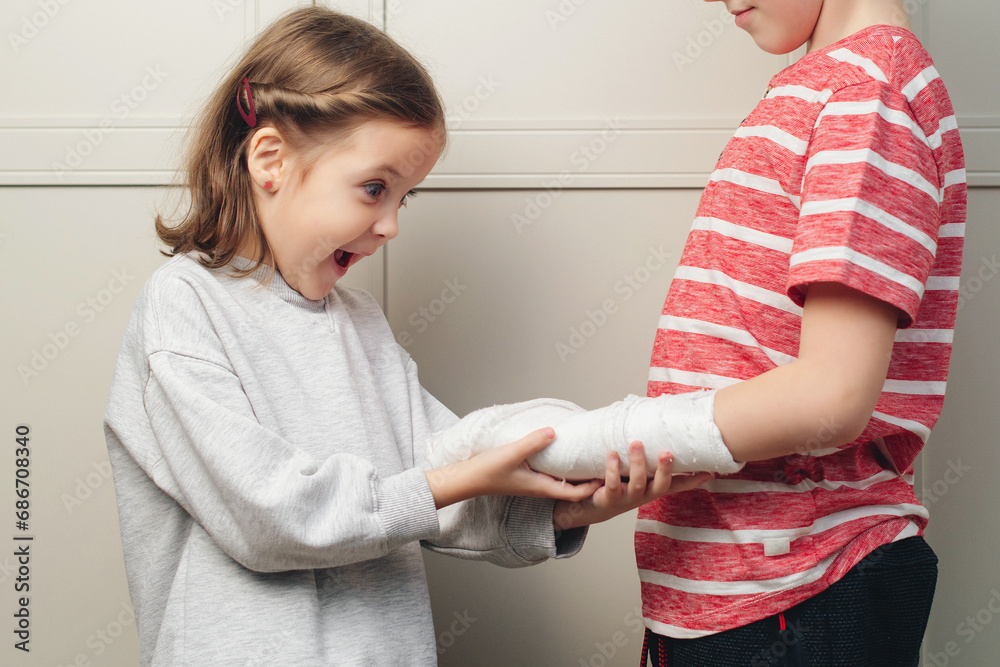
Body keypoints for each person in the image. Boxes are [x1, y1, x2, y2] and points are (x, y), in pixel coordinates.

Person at [101, 8, 710, 666]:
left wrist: (570, 503)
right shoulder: (185, 306)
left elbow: (446, 491)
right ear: (270, 159)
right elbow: (269, 515)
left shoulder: (361, 325)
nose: (390, 225)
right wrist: (459, 476)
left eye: (404, 198)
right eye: (373, 188)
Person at [635, 0, 966, 665]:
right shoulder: (827, 84)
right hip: (746, 592)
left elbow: (832, 394)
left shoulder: (870, 96)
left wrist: (624, 439)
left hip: (799, 589)